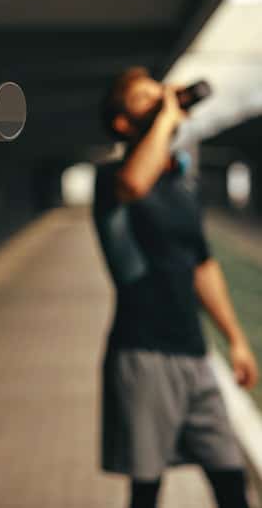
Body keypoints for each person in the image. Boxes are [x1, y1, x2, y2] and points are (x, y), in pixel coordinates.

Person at [92, 66, 259, 508]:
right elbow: (134, 183)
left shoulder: (180, 183)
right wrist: (168, 116)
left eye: (159, 91)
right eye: (145, 98)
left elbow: (203, 265)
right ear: (124, 123)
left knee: (229, 477)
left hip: (194, 353)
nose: (161, 98)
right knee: (147, 489)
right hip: (142, 354)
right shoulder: (111, 178)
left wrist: (236, 340)